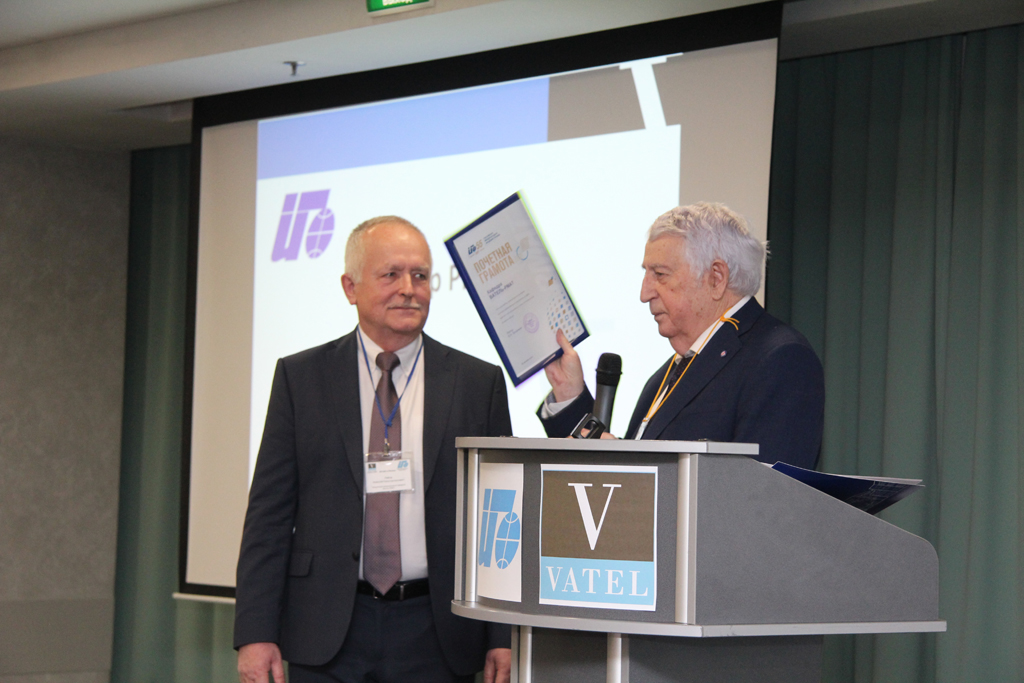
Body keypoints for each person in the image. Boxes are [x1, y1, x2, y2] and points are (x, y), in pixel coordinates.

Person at [235, 216, 513, 683]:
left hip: (438, 631)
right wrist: (255, 633)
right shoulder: (301, 379)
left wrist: (501, 634)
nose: (409, 289)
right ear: (351, 287)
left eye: (420, 275)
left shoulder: (476, 383)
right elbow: (269, 517)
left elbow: (499, 517)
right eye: (391, 275)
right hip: (326, 629)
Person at [539, 202, 824, 470]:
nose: (644, 294)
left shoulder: (781, 360)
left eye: (660, 274)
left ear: (716, 278)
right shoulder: (669, 374)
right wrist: (569, 395)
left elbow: (763, 495)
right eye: (646, 274)